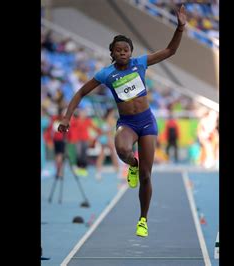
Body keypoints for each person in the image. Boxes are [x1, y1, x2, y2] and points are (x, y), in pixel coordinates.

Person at [58, 5, 187, 237]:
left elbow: (170, 51)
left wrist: (180, 27)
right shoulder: (106, 74)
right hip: (127, 123)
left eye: (126, 49)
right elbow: (80, 93)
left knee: (148, 176)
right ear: (112, 53)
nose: (123, 53)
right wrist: (67, 117)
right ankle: (132, 165)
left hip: (147, 122)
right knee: (122, 150)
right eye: (118, 50)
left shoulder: (140, 63)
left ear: (131, 51)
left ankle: (143, 219)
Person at [95, 108, 120, 181]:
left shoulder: (105, 120)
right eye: (113, 112)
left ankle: (98, 173)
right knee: (112, 155)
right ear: (110, 113)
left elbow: (104, 130)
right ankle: (117, 171)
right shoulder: (111, 120)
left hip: (104, 138)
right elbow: (107, 131)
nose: (114, 114)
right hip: (107, 138)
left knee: (102, 155)